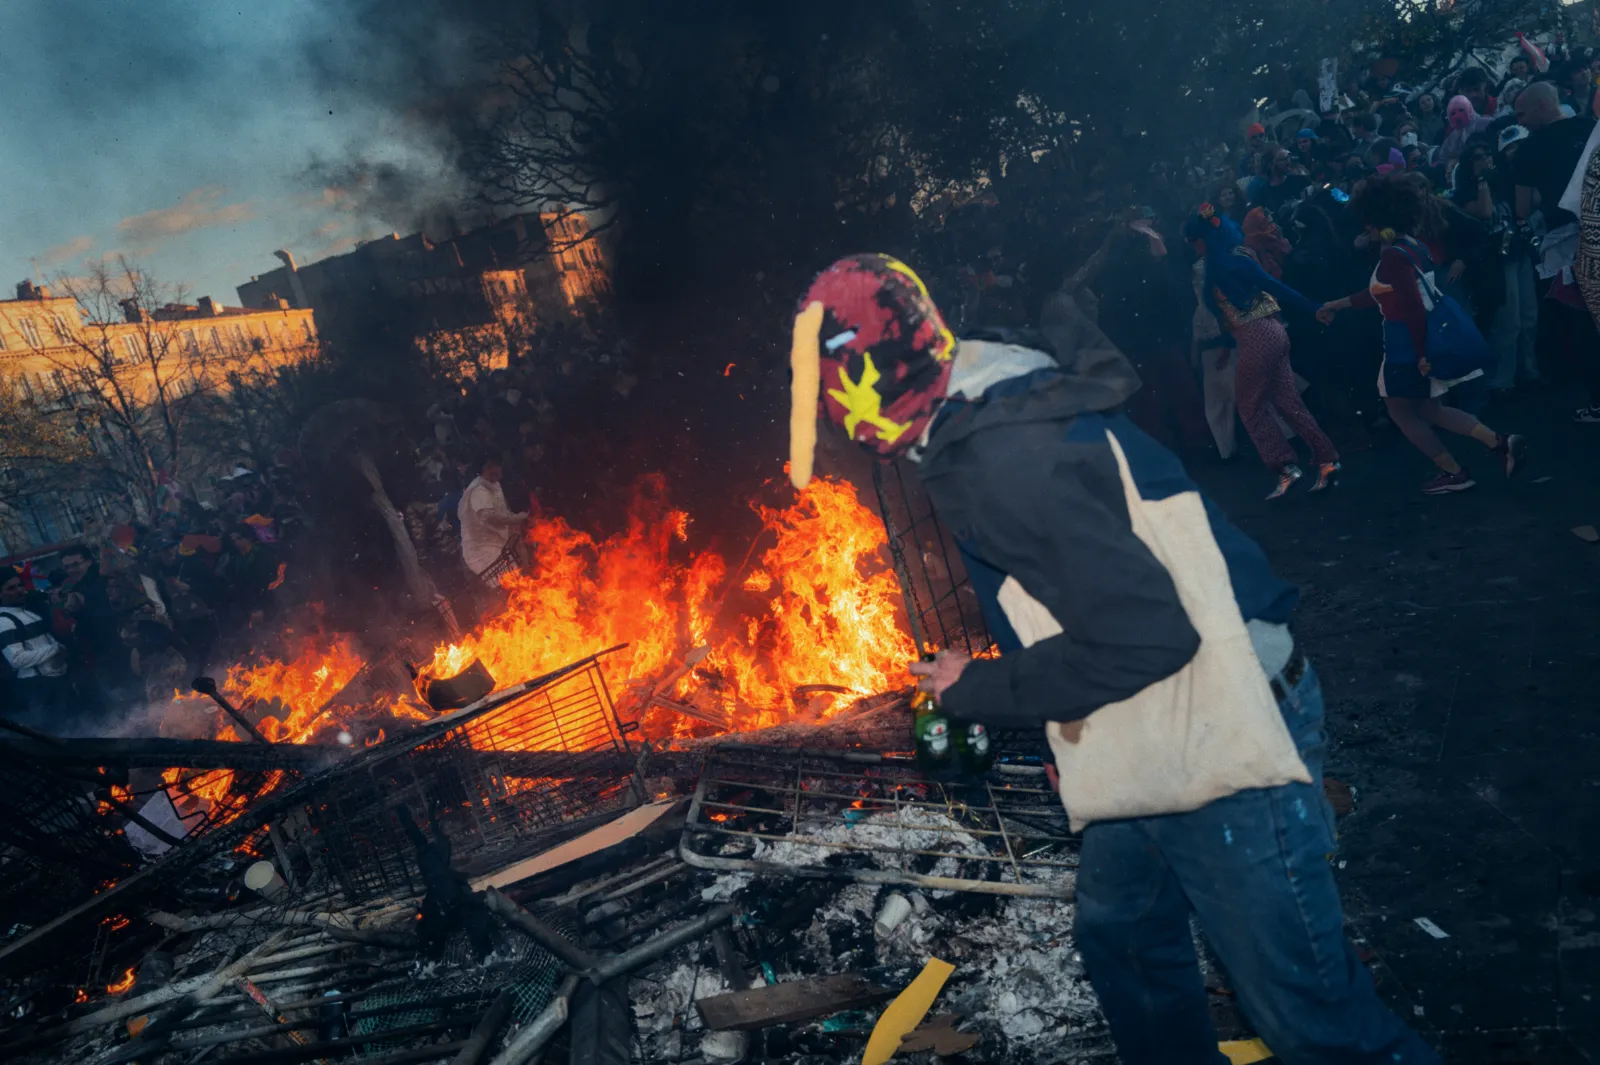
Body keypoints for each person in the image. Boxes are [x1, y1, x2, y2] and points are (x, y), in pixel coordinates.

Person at [785, 252, 1444, 1065]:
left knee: (1312, 1017)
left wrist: (982, 686)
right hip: (1145, 717)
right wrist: (1069, 722)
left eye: (829, 380)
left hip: (1220, 717)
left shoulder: (1003, 454)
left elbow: (1149, 635)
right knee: (1127, 941)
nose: (823, 405)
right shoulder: (982, 406)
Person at [1319, 175, 1525, 494]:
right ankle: (1499, 443)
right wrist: (1340, 303)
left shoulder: (1392, 257)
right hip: (1419, 339)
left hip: (1405, 345)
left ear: (1376, 221)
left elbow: (1410, 306)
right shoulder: (1412, 246)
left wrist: (1420, 355)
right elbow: (1384, 293)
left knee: (1401, 412)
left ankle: (1455, 471)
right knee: (1431, 409)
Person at [1186, 206, 1341, 498]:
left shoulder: (1227, 263)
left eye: (1192, 241)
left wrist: (1314, 309)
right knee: (1288, 403)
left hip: (1258, 337)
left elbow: (1274, 286)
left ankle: (1285, 468)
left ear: (1201, 240)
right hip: (1270, 334)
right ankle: (1327, 460)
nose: (1191, 247)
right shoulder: (1228, 261)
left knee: (1250, 406)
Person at [1514, 80, 1600, 417]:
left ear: (1539, 108)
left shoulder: (1529, 148)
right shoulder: (1592, 128)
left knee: (1584, 320)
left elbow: (1522, 208)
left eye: (1521, 113)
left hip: (1568, 245)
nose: (1518, 121)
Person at [1454, 129, 1539, 392]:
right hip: (1496, 262)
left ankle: (1530, 370)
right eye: (1477, 156)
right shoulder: (1464, 194)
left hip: (1518, 252)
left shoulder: (1503, 181)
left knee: (1529, 316)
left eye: (1487, 154)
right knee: (1508, 323)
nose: (1485, 159)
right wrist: (1481, 180)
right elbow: (1485, 211)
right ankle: (1502, 381)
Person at [1, 570, 73, 729]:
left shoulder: (28, 613)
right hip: (38, 689)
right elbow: (17, 659)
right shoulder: (4, 621)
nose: (19, 590)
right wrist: (55, 649)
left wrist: (58, 649)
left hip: (56, 681)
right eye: (11, 588)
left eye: (19, 585)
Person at [458, 452, 528, 586]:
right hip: (482, 551)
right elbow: (488, 516)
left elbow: (502, 512)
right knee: (505, 585)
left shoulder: (495, 485)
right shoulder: (478, 490)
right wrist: (515, 519)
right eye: (495, 466)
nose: (499, 470)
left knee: (515, 582)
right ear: (486, 468)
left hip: (497, 547)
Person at [1246, 147, 1311, 213]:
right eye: (1283, 159)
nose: (1288, 162)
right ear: (1270, 164)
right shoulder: (1263, 193)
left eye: (1288, 158)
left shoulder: (1301, 181)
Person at [1440, 94, 1495, 167]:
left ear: (1468, 108)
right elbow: (1443, 157)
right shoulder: (1452, 138)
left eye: (1461, 110)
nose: (1457, 115)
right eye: (1453, 113)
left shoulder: (1486, 122)